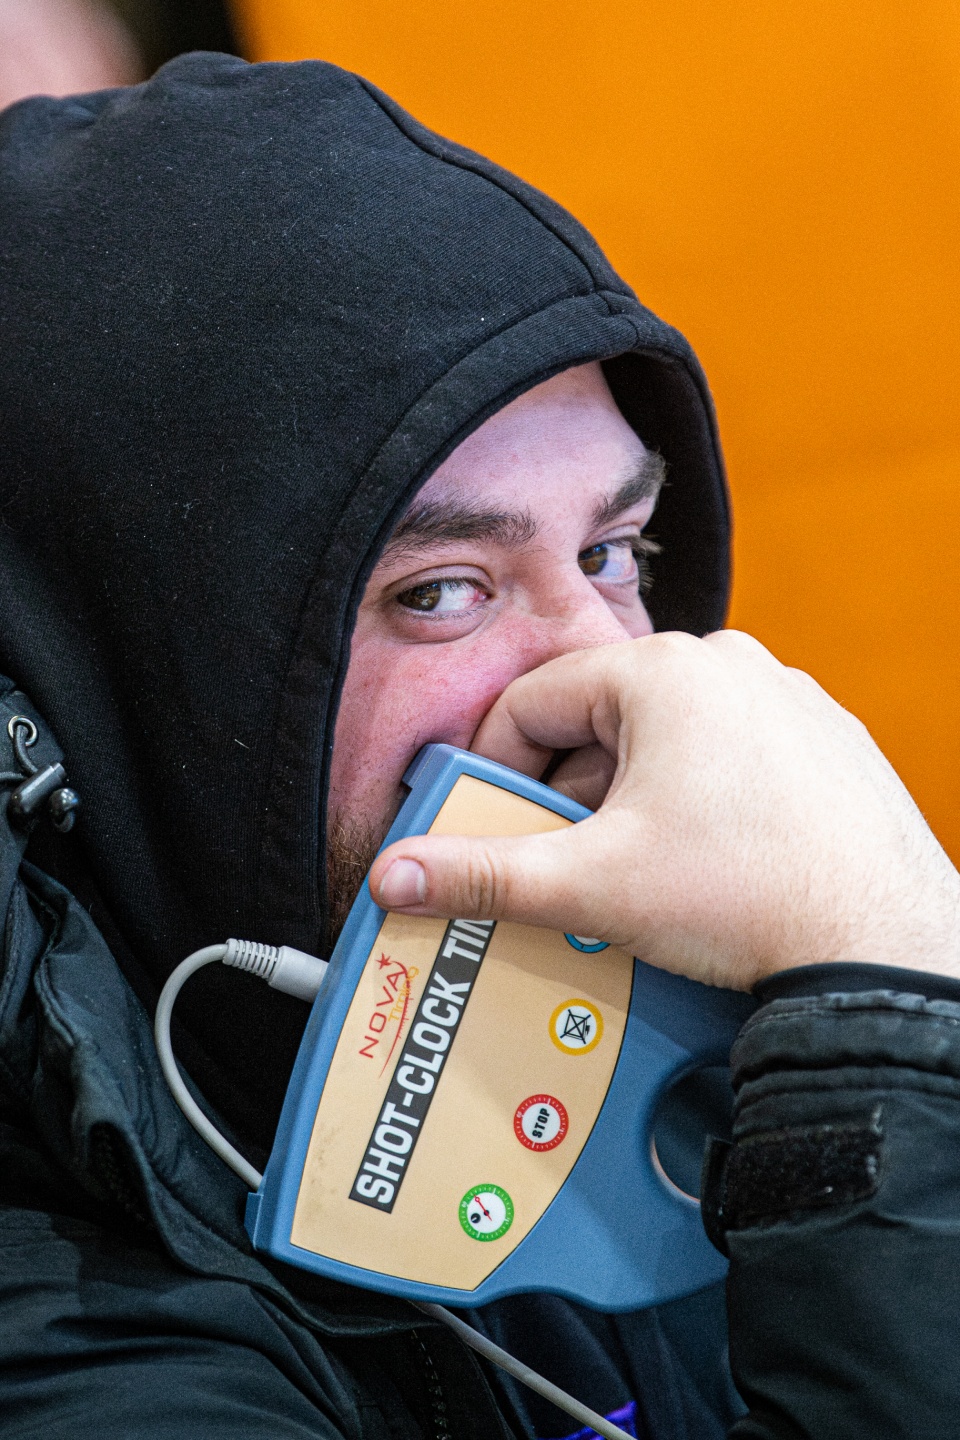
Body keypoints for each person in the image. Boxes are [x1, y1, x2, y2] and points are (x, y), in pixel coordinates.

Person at [1, 49, 955, 1440]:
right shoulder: (69, 1347)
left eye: (614, 551)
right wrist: (893, 1021)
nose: (605, 671)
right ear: (138, 685)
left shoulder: (686, 1079)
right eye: (442, 591)